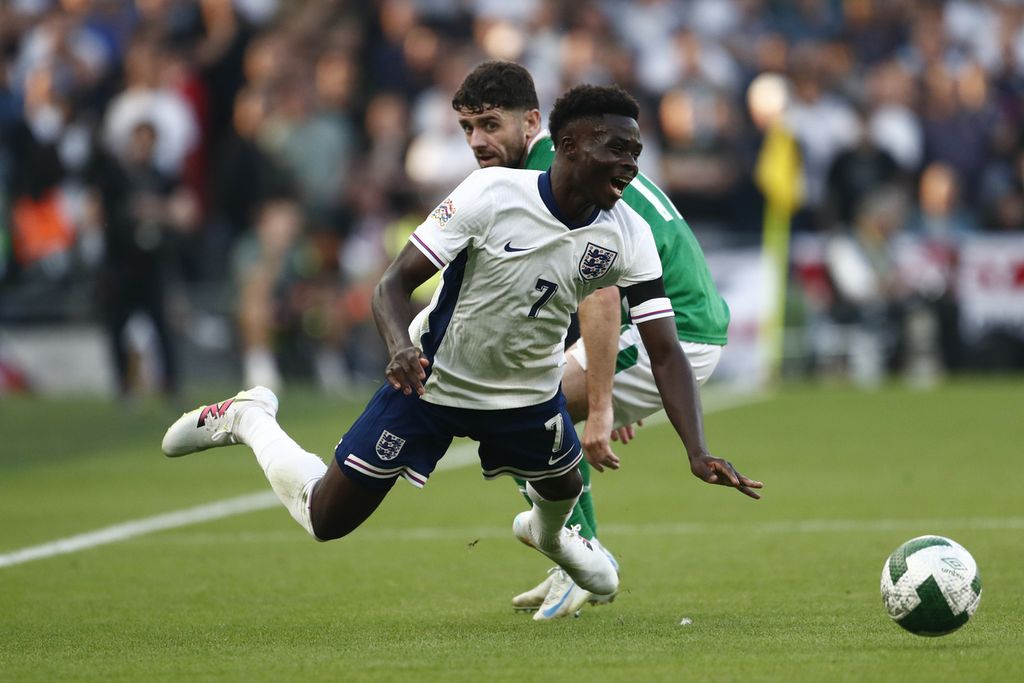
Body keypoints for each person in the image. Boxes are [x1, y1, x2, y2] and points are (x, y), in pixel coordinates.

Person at [162, 84, 761, 614]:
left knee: (562, 491)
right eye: (617, 151)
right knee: (326, 520)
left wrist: (697, 450)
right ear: (569, 146)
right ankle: (248, 416)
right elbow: (392, 284)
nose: (630, 165)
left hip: (526, 399)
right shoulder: (491, 194)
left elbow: (661, 349)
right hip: (435, 384)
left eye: (635, 152)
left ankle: (558, 548)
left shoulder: (625, 233)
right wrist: (399, 347)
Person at [451, 61, 732, 618]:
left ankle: (582, 561)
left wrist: (601, 402)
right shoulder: (556, 163)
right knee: (524, 414)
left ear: (531, 122)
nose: (479, 142)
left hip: (677, 327)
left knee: (523, 413)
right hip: (653, 326)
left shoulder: (555, 172)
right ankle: (571, 561)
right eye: (467, 129)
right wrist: (599, 375)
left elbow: (599, 294)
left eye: (490, 125)